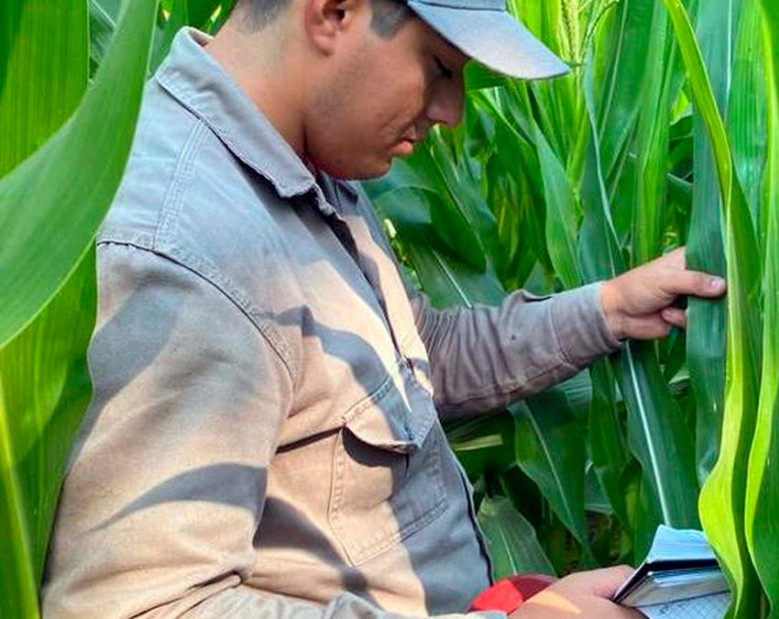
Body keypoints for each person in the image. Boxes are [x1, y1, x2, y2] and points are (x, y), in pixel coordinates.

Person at [41, 0, 727, 616]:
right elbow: (140, 603)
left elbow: (415, 356)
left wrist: (608, 308)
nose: (453, 111)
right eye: (438, 68)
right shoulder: (187, 250)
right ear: (332, 14)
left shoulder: (311, 164)